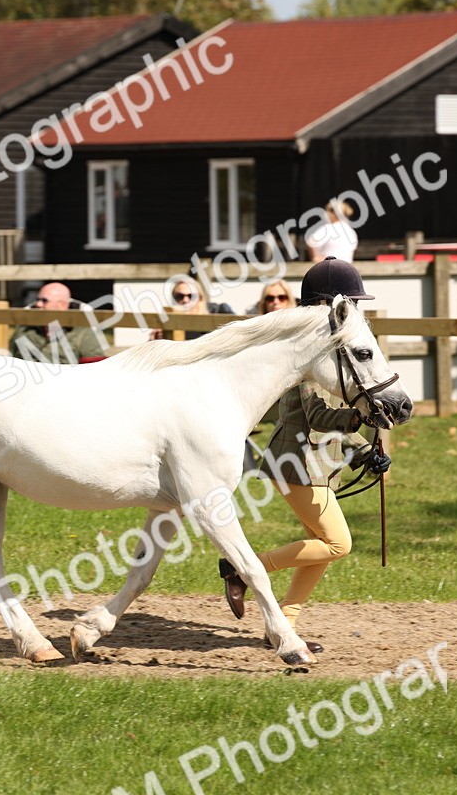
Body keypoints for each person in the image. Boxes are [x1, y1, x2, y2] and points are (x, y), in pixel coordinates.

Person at [219, 258, 393, 654]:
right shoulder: (303, 352)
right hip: (293, 462)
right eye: (351, 301)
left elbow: (336, 422)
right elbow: (317, 415)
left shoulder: (336, 351)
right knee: (337, 544)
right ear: (331, 304)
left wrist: (366, 451)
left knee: (325, 545)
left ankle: (285, 623)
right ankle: (242, 568)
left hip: (317, 464)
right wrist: (358, 419)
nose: (357, 310)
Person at [10, 282, 105, 362]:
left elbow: (94, 369)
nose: (38, 304)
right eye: (38, 300)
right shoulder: (24, 329)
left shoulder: (83, 332)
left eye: (44, 301)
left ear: (62, 305)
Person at [151, 280, 234, 340]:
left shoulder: (218, 311)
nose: (185, 300)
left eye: (191, 296)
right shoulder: (168, 319)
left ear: (200, 298)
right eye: (179, 296)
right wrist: (157, 339)